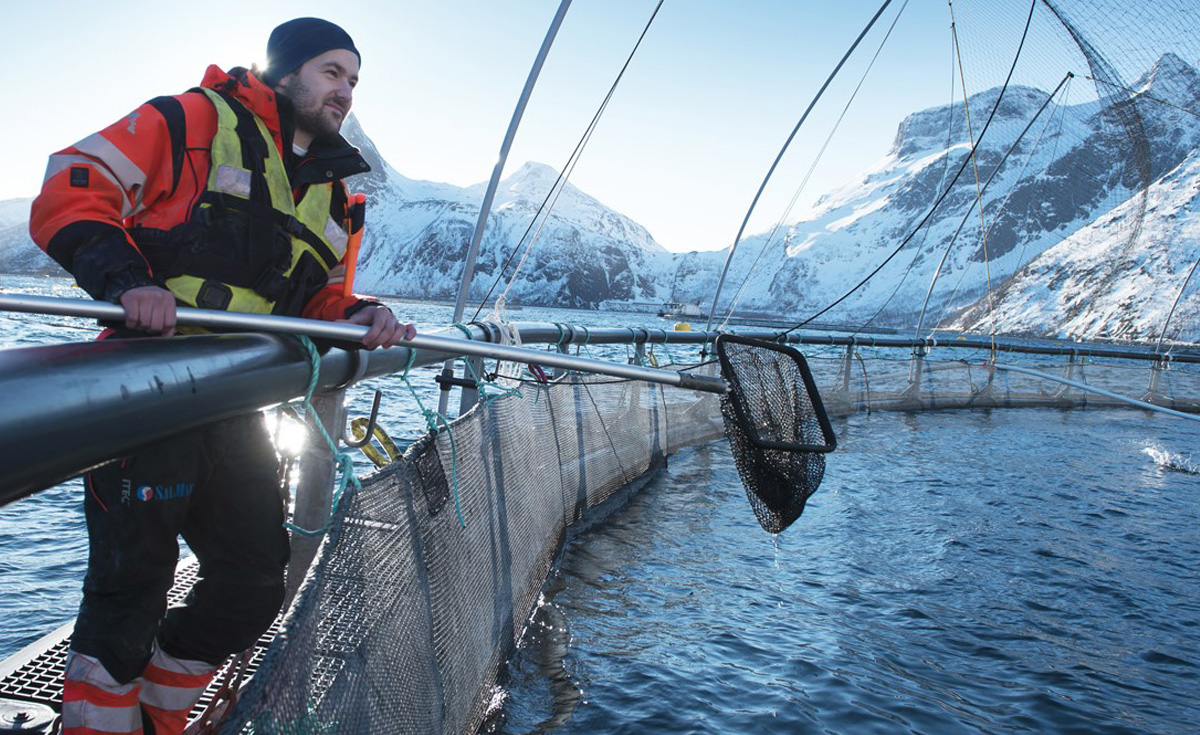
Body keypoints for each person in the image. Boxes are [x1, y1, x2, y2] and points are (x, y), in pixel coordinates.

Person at [29, 18, 413, 735]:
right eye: (332, 72)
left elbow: (321, 297)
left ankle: (153, 717)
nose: (346, 92)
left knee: (253, 581)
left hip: (238, 401)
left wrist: (366, 312)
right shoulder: (190, 118)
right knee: (129, 591)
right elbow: (72, 184)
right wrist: (126, 281)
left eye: (354, 80)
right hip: (146, 388)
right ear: (287, 70)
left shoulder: (336, 192)